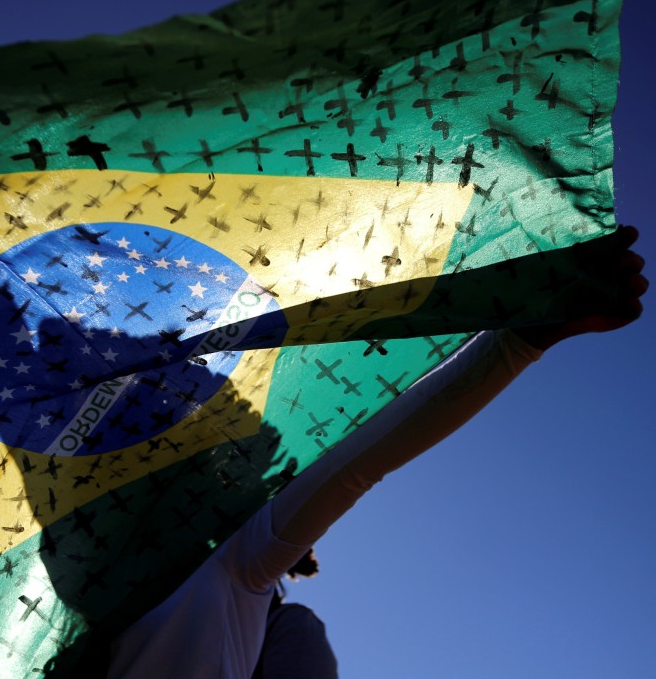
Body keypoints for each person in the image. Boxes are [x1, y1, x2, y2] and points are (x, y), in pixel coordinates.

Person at [107, 227, 647, 678]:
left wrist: (523, 340)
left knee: (297, 629)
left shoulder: (228, 569)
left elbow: (362, 464)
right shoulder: (71, 584)